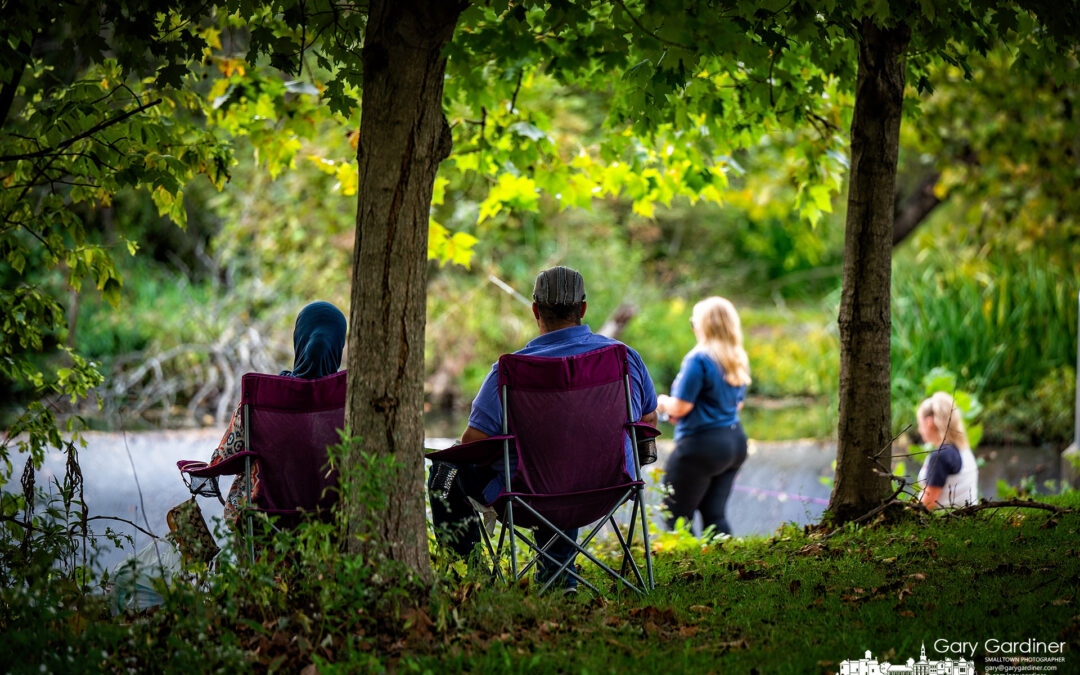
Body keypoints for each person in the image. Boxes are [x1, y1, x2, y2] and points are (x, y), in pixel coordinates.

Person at [429, 266, 659, 591]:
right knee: (564, 459)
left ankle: (470, 579)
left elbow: (473, 443)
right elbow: (648, 423)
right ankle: (556, 575)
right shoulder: (624, 359)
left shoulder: (509, 371)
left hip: (529, 495)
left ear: (535, 310)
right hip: (609, 487)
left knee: (446, 469)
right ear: (582, 309)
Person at [207, 301, 347, 527]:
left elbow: (220, 460)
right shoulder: (352, 403)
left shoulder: (263, 399)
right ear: (338, 344)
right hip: (335, 524)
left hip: (265, 526)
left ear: (299, 339)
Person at [655, 296, 750, 538]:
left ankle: (684, 570)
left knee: (674, 515)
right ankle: (726, 565)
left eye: (693, 322)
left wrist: (661, 402)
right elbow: (735, 405)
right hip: (734, 443)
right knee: (714, 514)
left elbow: (680, 407)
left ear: (704, 325)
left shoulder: (698, 359)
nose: (693, 326)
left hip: (701, 446)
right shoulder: (737, 358)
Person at [916, 391, 978, 509]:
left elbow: (927, 503)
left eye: (920, 424)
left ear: (929, 422)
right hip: (966, 516)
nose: (919, 430)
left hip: (944, 520)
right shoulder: (963, 449)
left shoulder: (940, 456)